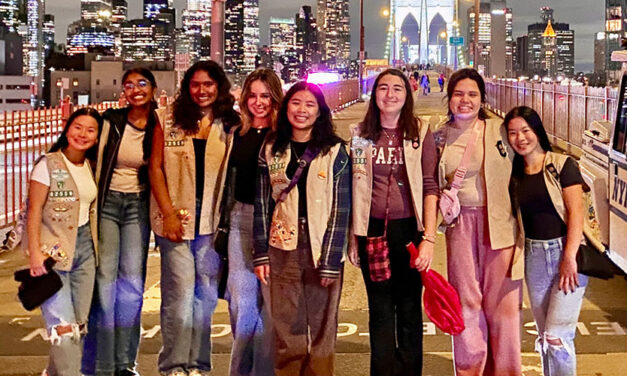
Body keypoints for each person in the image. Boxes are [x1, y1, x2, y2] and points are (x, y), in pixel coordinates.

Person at [149, 60, 240, 376]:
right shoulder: (167, 119)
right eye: (196, 84)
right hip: (175, 218)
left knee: (204, 296)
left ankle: (198, 364)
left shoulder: (229, 123)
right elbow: (155, 168)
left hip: (212, 221)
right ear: (188, 87)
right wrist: (168, 214)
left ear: (219, 87)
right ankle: (174, 365)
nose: (202, 91)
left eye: (209, 84)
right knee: (179, 293)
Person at [253, 81, 350, 376]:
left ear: (320, 112)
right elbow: (261, 203)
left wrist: (332, 260)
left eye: (310, 105)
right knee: (286, 327)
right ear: (286, 108)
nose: (302, 110)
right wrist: (260, 254)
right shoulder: (271, 149)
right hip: (281, 244)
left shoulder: (335, 151)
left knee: (322, 328)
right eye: (296, 103)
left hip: (322, 245)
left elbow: (341, 208)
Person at [347, 68, 439, 376]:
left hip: (409, 230)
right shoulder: (360, 134)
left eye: (397, 88)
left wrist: (428, 238)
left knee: (410, 308)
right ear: (375, 95)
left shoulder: (419, 132)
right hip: (372, 231)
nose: (390, 94)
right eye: (383, 88)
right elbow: (353, 186)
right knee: (380, 310)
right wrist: (352, 238)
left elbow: (430, 185)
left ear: (407, 94)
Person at [434, 68, 522, 376]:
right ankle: (471, 370)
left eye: (472, 94)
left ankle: (506, 371)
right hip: (460, 225)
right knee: (466, 303)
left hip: (499, 223)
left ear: (482, 98)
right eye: (458, 94)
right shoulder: (439, 135)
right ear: (449, 97)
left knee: (504, 307)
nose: (465, 100)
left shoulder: (500, 129)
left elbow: (532, 158)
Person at [82, 68, 160, 376]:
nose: (135, 89)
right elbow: (81, 151)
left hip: (138, 205)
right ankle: (102, 364)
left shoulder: (161, 123)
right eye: (129, 85)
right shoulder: (111, 122)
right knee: (105, 284)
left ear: (153, 88)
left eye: (142, 83)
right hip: (108, 205)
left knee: (132, 286)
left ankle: (126, 363)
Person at [505, 106, 588, 376]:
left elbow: (576, 213)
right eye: (513, 133)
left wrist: (569, 258)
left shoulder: (562, 165)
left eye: (525, 131)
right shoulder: (514, 174)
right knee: (544, 337)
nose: (520, 138)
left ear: (537, 131)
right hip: (533, 256)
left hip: (566, 251)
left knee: (557, 336)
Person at [26, 108, 102, 376]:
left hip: (84, 251)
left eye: (90, 130)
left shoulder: (91, 166)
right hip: (52, 253)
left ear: (97, 138)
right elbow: (33, 210)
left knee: (78, 326)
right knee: (63, 328)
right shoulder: (48, 164)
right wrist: (34, 254)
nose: (83, 134)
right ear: (67, 129)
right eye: (77, 127)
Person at [224, 68, 283, 376]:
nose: (259, 103)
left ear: (276, 99)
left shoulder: (285, 136)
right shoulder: (234, 133)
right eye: (253, 96)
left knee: (272, 308)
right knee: (242, 305)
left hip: (277, 225)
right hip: (240, 219)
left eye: (266, 96)